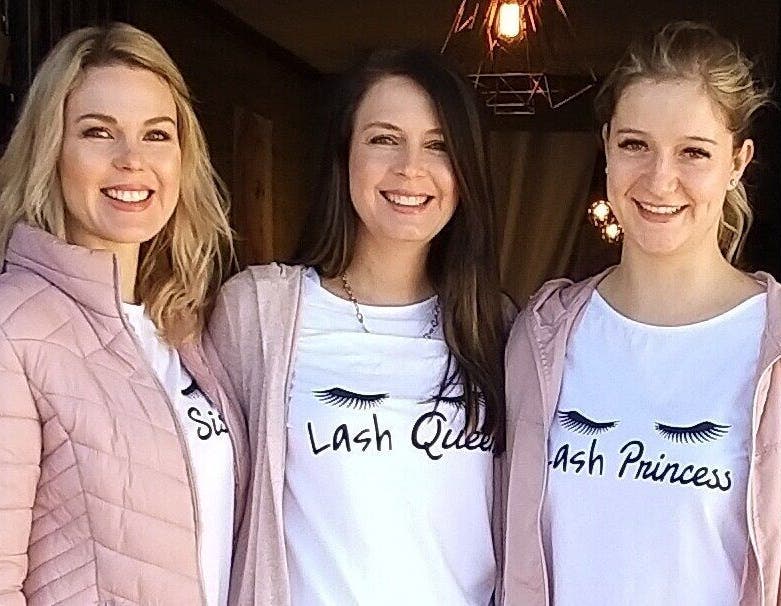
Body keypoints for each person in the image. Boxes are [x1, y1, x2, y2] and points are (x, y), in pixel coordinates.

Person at [503, 21, 781, 606]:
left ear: (738, 161)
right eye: (635, 144)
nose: (661, 179)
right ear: (607, 145)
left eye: (694, 152)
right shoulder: (543, 334)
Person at [205, 48, 509, 605]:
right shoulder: (260, 315)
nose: (410, 168)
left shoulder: (499, 330)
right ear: (343, 156)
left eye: (438, 145)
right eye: (383, 139)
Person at [0, 23, 248, 605]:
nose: (132, 160)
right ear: (51, 150)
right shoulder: (15, 328)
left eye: (156, 135)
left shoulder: (183, 327)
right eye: (98, 132)